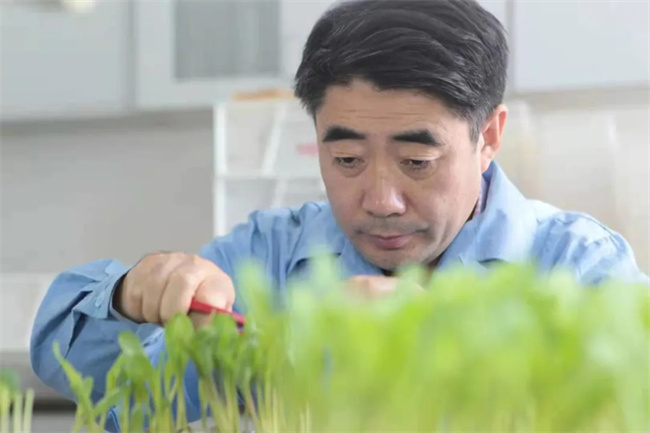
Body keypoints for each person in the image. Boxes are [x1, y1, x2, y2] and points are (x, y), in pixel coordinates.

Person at [30, 0, 648, 431]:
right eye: (347, 158)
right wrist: (128, 296)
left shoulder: (579, 264)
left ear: (488, 136)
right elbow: (111, 388)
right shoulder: (271, 256)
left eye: (416, 161)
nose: (380, 200)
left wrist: (454, 344)